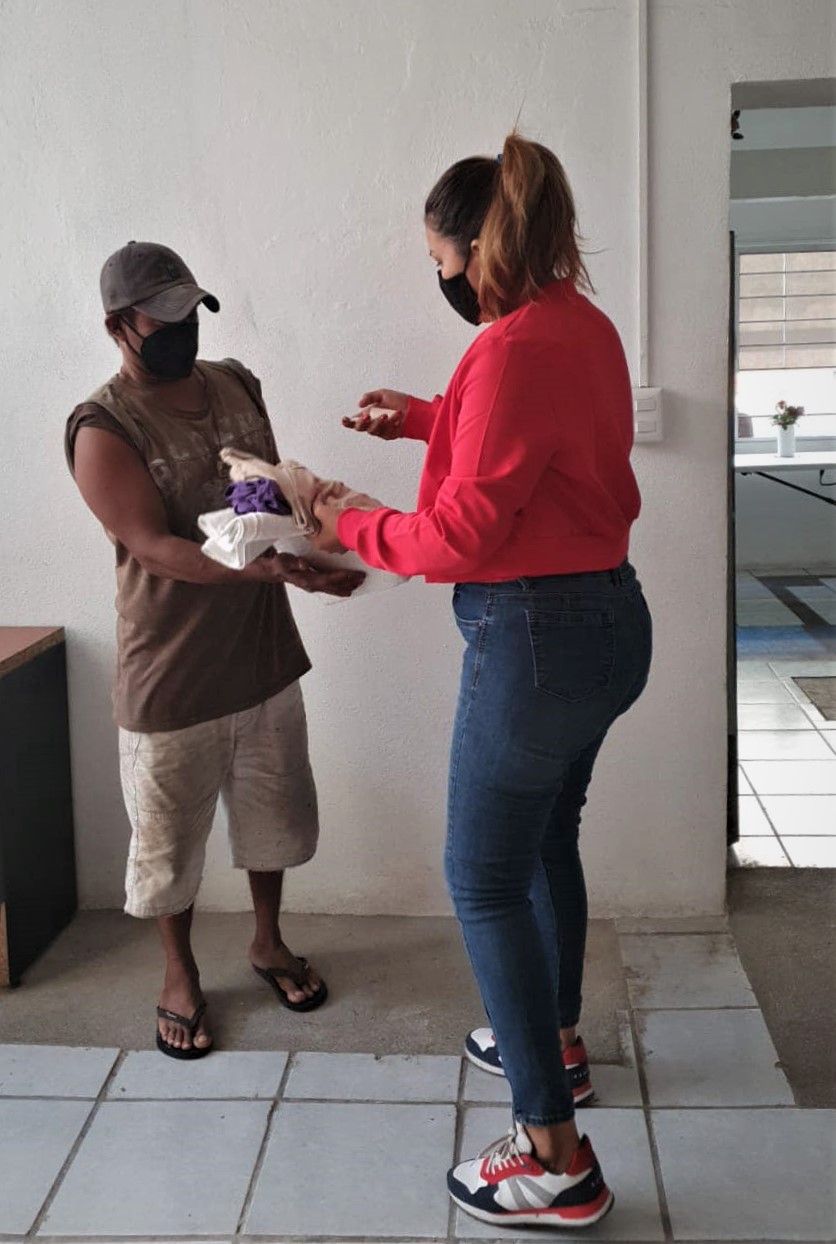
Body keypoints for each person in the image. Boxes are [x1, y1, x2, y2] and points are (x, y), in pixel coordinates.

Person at [313, 134, 652, 1228]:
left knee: (482, 876)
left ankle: (553, 1154)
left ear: (479, 248)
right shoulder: (577, 325)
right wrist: (421, 417)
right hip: (608, 621)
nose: (441, 278)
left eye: (439, 260)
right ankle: (554, 1040)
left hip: (536, 637)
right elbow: (536, 444)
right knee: (545, 839)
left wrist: (341, 519)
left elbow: (456, 534)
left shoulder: (510, 349)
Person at [66, 242, 364, 1060]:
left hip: (262, 656)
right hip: (172, 673)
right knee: (167, 846)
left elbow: (264, 498)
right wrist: (268, 571)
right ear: (118, 327)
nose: (183, 330)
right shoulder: (103, 427)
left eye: (191, 312)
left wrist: (316, 546)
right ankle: (179, 972)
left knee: (275, 822)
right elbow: (153, 546)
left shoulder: (236, 383)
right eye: (162, 320)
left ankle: (268, 941)